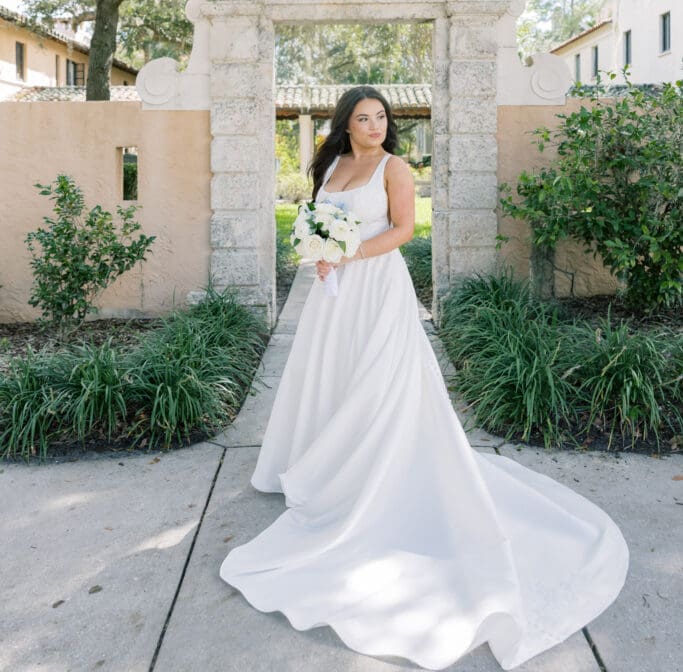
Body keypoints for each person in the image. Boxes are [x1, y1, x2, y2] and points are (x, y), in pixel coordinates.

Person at [220, 85, 629, 671]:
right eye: (363, 118)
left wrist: (348, 250)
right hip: (334, 293)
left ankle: (378, 468)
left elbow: (404, 231)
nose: (374, 125)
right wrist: (320, 249)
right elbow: (316, 220)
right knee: (330, 374)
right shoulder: (333, 163)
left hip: (377, 287)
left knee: (380, 380)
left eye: (380, 116)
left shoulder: (395, 167)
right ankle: (329, 458)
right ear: (346, 124)